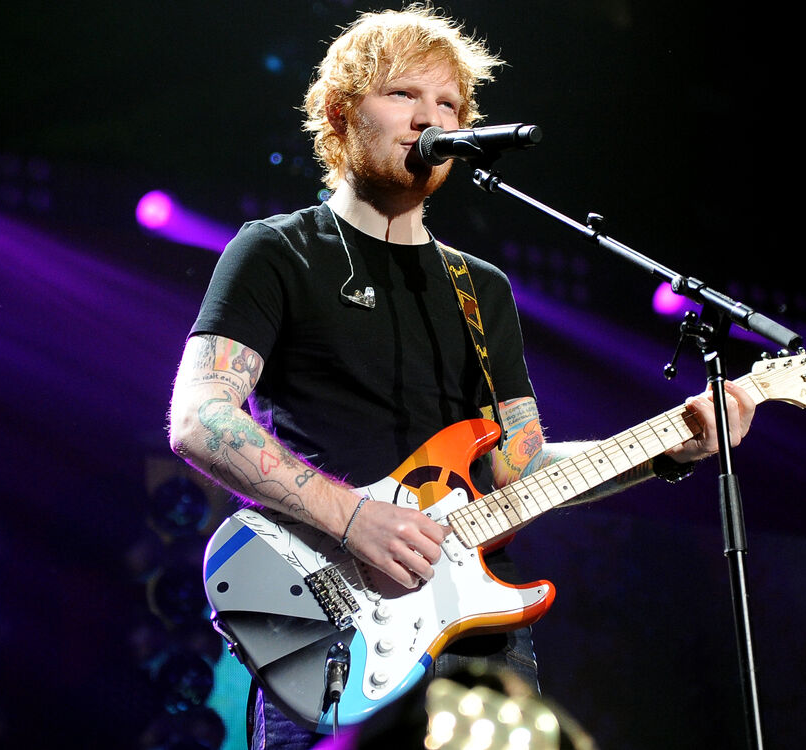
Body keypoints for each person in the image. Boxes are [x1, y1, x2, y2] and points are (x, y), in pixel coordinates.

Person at [167, 5, 756, 748]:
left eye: (449, 104)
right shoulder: (279, 252)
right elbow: (201, 419)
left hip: (481, 644)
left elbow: (522, 467)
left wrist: (672, 447)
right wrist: (354, 519)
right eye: (404, 95)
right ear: (342, 113)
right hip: (334, 629)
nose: (431, 117)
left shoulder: (482, 290)